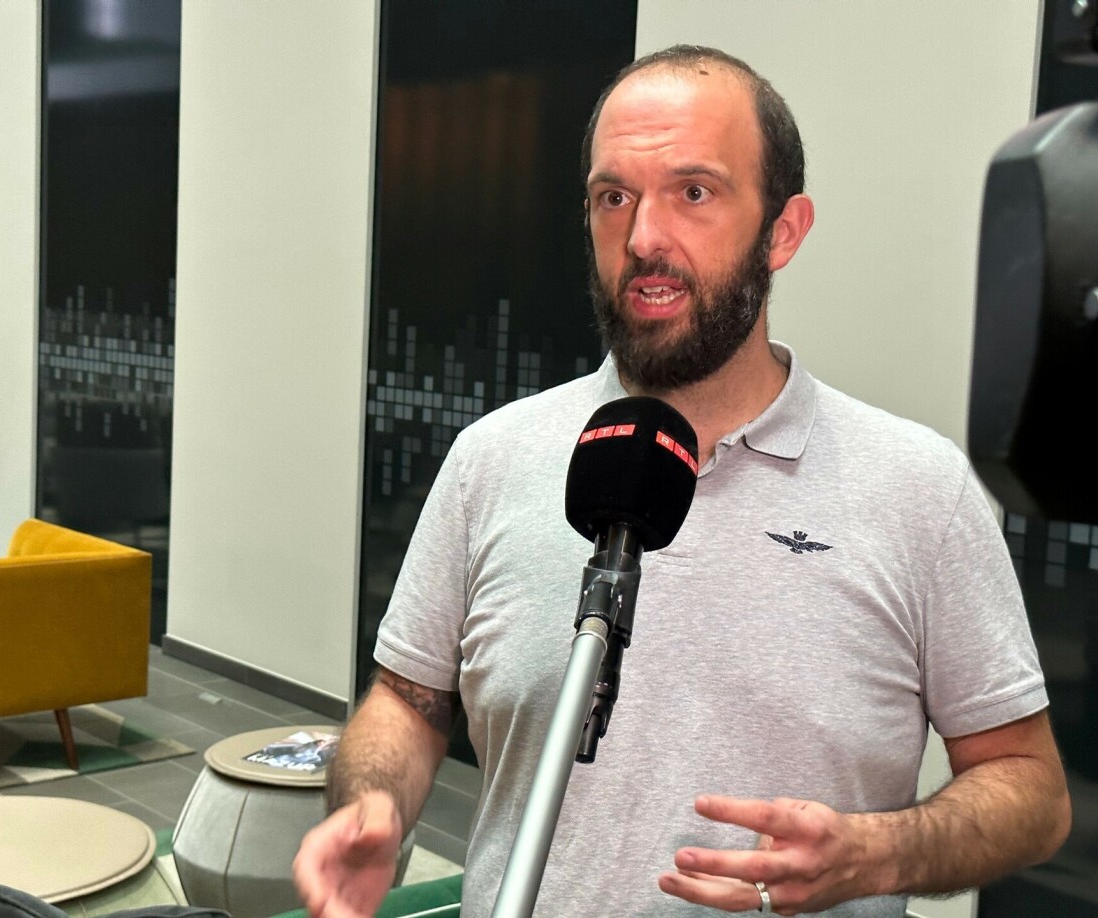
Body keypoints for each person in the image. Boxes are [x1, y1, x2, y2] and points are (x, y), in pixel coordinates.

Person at [292, 45, 1071, 917]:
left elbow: (1028, 789)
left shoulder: (919, 489)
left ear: (784, 229)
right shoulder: (492, 459)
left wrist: (879, 854)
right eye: (613, 197)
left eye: (694, 193)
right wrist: (372, 808)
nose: (645, 238)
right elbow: (408, 702)